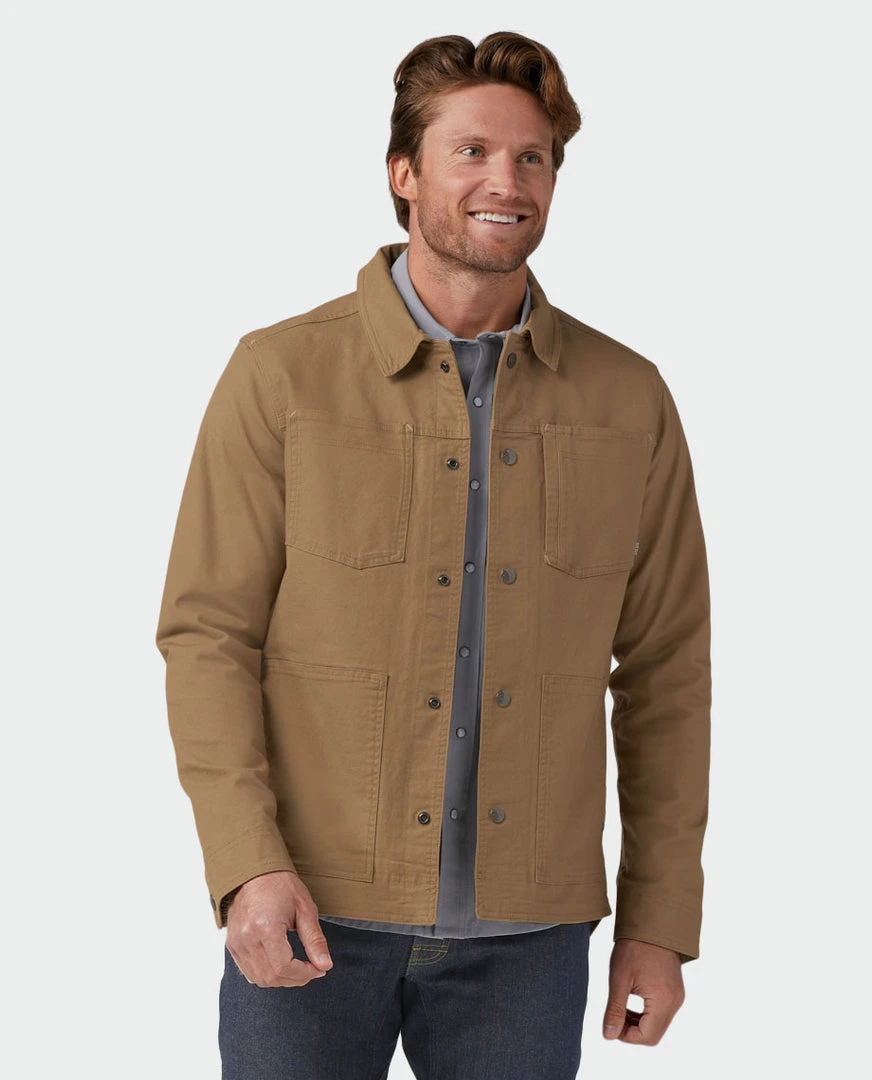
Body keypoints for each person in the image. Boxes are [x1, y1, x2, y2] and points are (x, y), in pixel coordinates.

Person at [155, 29, 711, 1079]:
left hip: (530, 940)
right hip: (307, 909)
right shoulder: (280, 376)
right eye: (472, 151)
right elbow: (208, 636)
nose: (507, 180)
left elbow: (666, 675)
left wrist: (658, 920)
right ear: (403, 174)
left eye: (532, 157)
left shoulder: (627, 399)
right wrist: (245, 866)